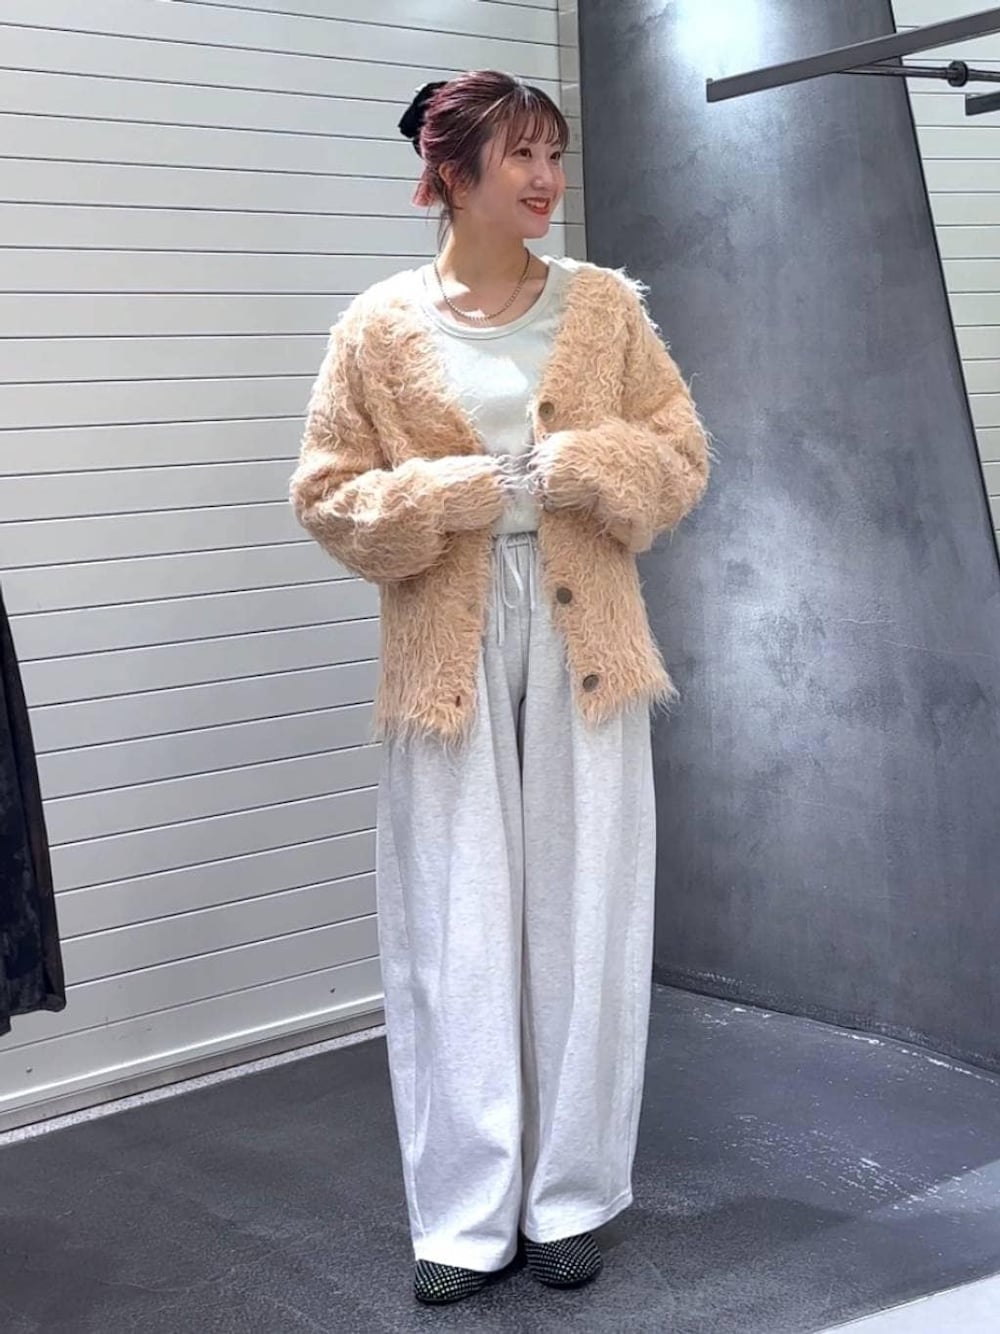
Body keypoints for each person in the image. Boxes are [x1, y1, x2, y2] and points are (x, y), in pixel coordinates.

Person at [289, 69, 711, 1307]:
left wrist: (591, 463)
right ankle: (465, 1214)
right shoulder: (376, 326)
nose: (545, 178)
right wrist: (450, 493)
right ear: (451, 171)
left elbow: (680, 454)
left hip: (588, 639)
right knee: (453, 925)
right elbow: (327, 492)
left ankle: (569, 1196)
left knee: (588, 914)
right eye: (520, 154)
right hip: (445, 648)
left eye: (552, 153)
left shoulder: (603, 309)